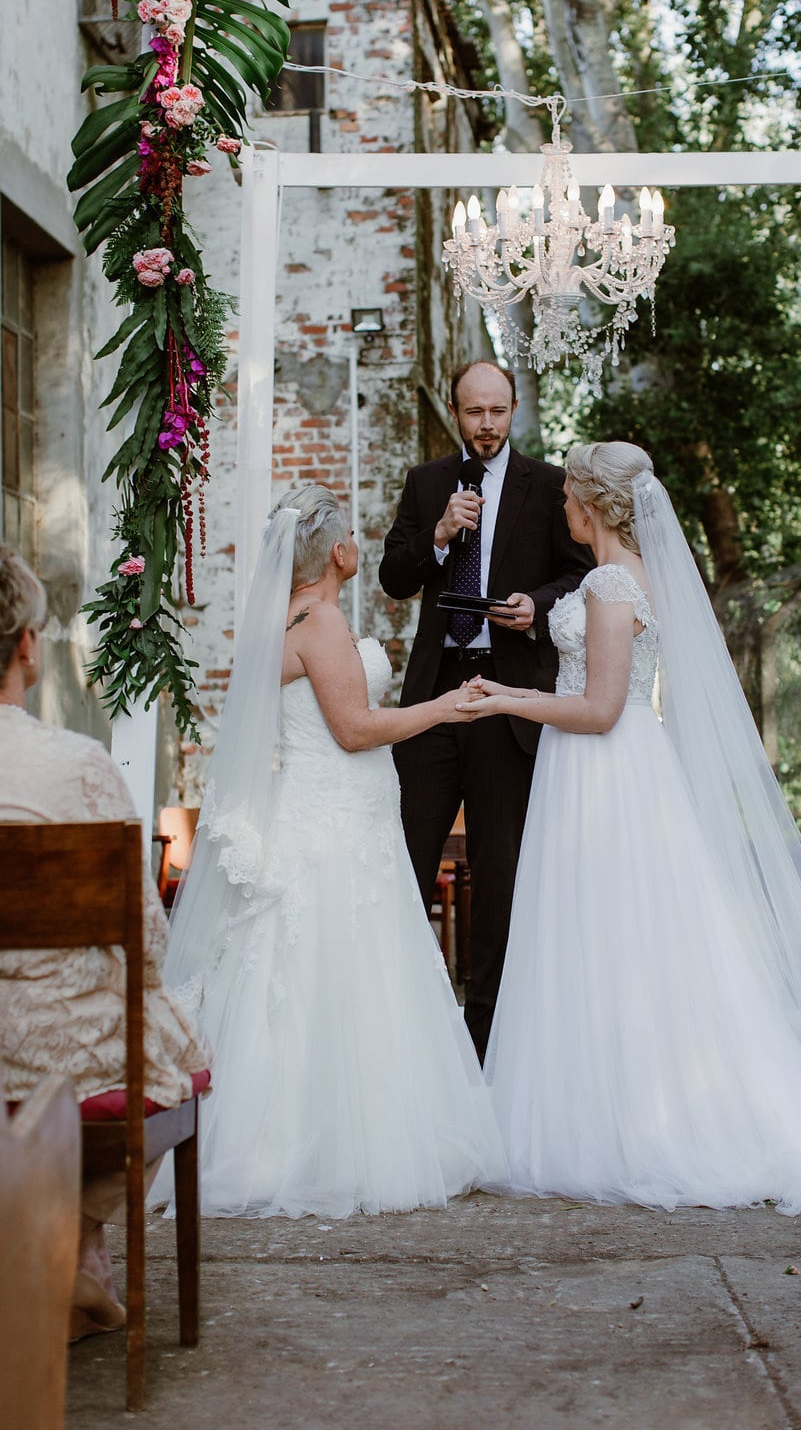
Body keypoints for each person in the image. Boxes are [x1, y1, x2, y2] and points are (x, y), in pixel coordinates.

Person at [456, 443, 801, 1221]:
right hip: (610, 770)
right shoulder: (640, 575)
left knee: (605, 938)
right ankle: (609, 1106)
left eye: (569, 493)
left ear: (595, 504)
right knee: (617, 942)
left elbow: (600, 709)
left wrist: (504, 698)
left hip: (604, 773)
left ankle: (618, 1122)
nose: (562, 504)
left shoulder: (607, 582)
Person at [152, 484, 507, 1218]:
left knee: (303, 969)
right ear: (338, 551)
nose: (360, 543)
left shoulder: (290, 618)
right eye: (353, 534)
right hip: (335, 824)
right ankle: (339, 1146)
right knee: (345, 967)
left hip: (328, 812)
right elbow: (353, 729)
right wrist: (445, 708)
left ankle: (288, 1135)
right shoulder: (322, 625)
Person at [0, 544, 211, 1339]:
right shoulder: (78, 766)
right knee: (172, 1046)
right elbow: (147, 947)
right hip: (56, 1051)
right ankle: (79, 1244)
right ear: (27, 644)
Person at [379, 360, 592, 1059]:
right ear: (455, 411)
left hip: (509, 702)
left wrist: (537, 608)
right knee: (406, 858)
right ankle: (408, 1023)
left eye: (498, 411)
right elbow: (393, 575)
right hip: (437, 699)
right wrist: (439, 534)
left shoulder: (552, 485)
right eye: (474, 413)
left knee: (501, 872)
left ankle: (485, 1037)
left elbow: (584, 574)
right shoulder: (426, 483)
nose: (487, 425)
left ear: (515, 408)